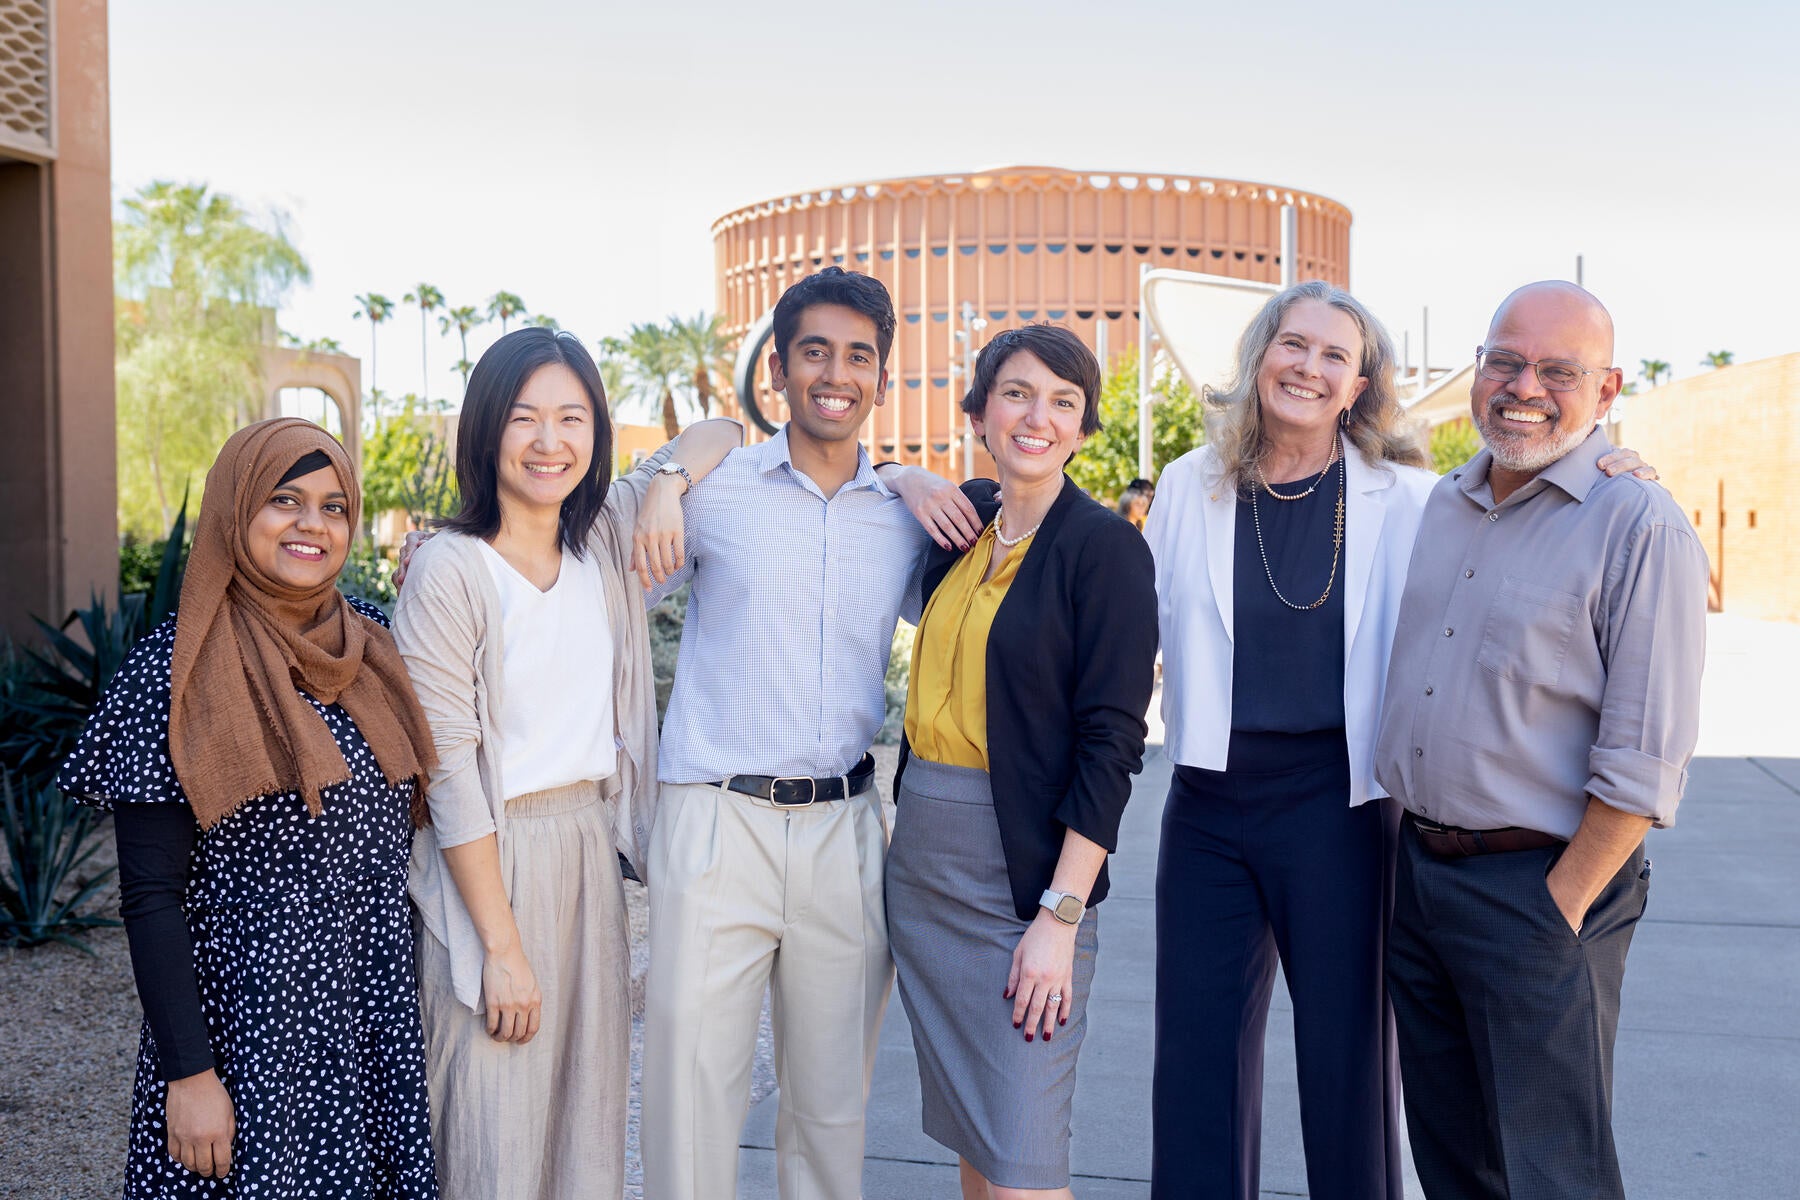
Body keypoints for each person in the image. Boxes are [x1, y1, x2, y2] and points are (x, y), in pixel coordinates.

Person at [1143, 280, 1653, 1199]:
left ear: (1359, 384)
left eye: (1334, 355)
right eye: (1291, 345)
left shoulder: (1416, 497)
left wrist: (1619, 463)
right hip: (1209, 807)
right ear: (1260, 357)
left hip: (1339, 809)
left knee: (1349, 1066)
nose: (1307, 366)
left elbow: (1538, 490)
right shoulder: (1187, 484)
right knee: (1194, 1061)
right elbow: (1126, 617)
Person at [637, 266, 981, 1200]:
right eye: (816, 352)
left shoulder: (908, 517)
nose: (837, 372)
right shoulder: (715, 489)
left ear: (882, 377)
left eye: (859, 356)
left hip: (843, 828)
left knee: (831, 1110)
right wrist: (664, 477)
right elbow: (600, 579)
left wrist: (910, 475)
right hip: (716, 820)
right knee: (687, 1092)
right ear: (780, 370)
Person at [1375, 281, 1708, 1200]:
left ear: (1606, 392)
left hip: (1544, 888)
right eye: (1506, 361)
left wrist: (1558, 907)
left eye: (1560, 370)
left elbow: (1647, 759)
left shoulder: (1639, 525)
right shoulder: (1443, 502)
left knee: (1551, 1173)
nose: (1526, 386)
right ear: (1477, 371)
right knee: (1455, 1160)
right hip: (1422, 878)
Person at [393, 327, 741, 1200]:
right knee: (488, 1135)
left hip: (590, 850)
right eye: (524, 418)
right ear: (485, 430)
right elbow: (448, 772)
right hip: (489, 863)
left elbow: (724, 431)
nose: (550, 442)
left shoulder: (604, 540)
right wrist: (500, 949)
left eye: (572, 417)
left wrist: (663, 484)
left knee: (584, 1140)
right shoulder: (448, 570)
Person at [60, 418, 440, 1196]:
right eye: (284, 500)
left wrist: (440, 562)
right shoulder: (178, 667)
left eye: (335, 506)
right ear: (236, 510)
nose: (313, 524)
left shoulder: (369, 644)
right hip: (248, 1037)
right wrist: (191, 1074)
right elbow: (151, 896)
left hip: (369, 1023)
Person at [887, 324, 1158, 1200]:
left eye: (1063, 401)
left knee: (1023, 1165)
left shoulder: (1105, 549)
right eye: (1016, 393)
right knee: (979, 1143)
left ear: (1083, 429)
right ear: (979, 413)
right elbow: (861, 478)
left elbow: (1112, 745)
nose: (1037, 417)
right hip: (924, 873)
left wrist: (1061, 915)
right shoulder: (961, 524)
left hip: (1024, 885)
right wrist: (899, 474)